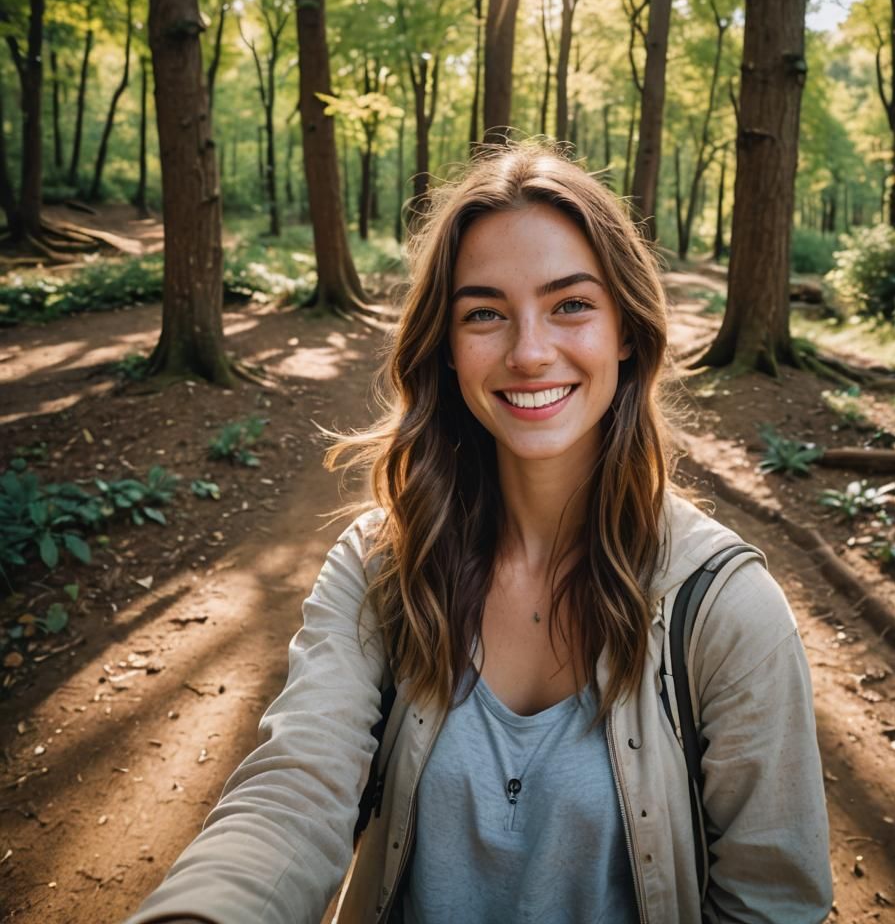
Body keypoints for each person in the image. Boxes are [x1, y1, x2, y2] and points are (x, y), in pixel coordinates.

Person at [126, 142, 832, 924]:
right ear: (448, 347)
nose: (529, 353)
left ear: (626, 331)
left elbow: (773, 902)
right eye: (485, 313)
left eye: (570, 305)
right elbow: (296, 785)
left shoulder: (728, 610)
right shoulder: (380, 567)